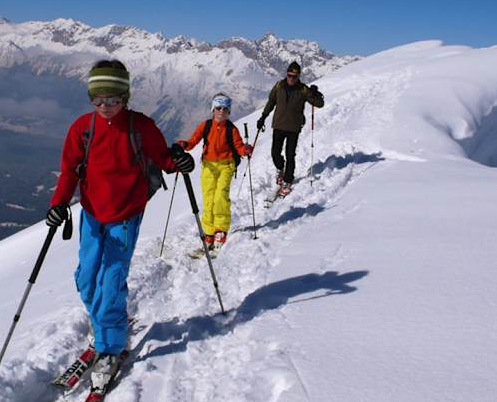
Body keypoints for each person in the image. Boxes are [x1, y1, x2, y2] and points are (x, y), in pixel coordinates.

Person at [45, 59, 194, 398]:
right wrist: (58, 204)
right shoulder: (83, 129)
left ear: (126, 97)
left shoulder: (140, 127)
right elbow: (69, 172)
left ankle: (110, 345)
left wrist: (180, 161)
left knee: (110, 281)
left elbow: (163, 159)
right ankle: (105, 322)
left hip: (126, 216)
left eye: (113, 99)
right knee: (86, 278)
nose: (106, 107)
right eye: (98, 100)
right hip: (92, 214)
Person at [176, 93, 253, 256]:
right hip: (208, 166)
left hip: (226, 165)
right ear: (213, 109)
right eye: (218, 108)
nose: (221, 111)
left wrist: (244, 150)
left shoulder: (232, 129)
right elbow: (193, 141)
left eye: (225, 109)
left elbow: (238, 146)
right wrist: (184, 144)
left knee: (220, 197)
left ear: (229, 111)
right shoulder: (206, 126)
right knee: (209, 199)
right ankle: (208, 234)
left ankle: (220, 230)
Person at [256, 61, 325, 196]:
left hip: (294, 127)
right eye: (289, 75)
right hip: (278, 125)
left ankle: (288, 180)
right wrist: (263, 117)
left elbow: (319, 104)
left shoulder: (303, 90)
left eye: (295, 76)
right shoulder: (279, 86)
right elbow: (271, 102)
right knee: (275, 153)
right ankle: (280, 168)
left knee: (290, 154)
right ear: (286, 74)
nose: (291, 78)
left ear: (298, 76)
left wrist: (315, 93)